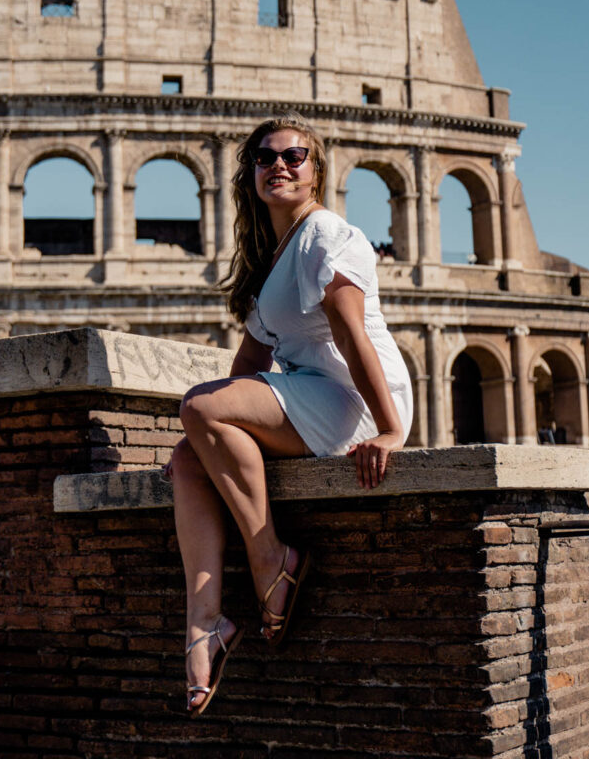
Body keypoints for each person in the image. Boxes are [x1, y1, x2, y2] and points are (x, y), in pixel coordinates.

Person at [165, 113, 413, 717]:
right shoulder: (270, 261)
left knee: (199, 406)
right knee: (185, 456)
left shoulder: (326, 234)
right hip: (310, 393)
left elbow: (353, 335)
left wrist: (391, 429)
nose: (279, 164)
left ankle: (270, 557)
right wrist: (211, 436)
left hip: (351, 397)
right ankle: (205, 624)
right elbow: (245, 368)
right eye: (266, 157)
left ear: (316, 172)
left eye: (294, 156)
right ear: (250, 175)